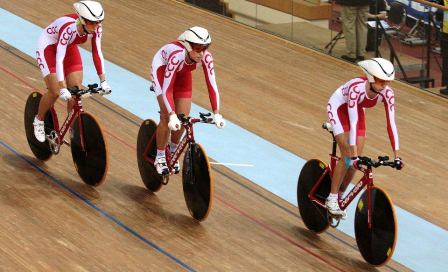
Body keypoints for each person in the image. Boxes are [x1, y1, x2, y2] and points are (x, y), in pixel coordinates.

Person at [325, 58, 404, 218]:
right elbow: (353, 123)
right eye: (382, 81)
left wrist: (397, 156)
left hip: (357, 108)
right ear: (371, 78)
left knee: (356, 162)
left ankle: (340, 194)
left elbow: (391, 124)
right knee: (348, 156)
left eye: (388, 82)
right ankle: (331, 198)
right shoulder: (356, 89)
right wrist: (352, 155)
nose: (385, 86)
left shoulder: (387, 93)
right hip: (339, 107)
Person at [150, 26, 226, 175]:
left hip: (183, 74)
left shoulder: (206, 57)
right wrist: (171, 114)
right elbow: (167, 89)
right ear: (187, 45)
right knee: (167, 117)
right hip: (162, 70)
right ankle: (159, 157)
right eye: (198, 49)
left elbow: (212, 85)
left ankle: (172, 151)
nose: (201, 53)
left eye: (205, 48)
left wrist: (217, 113)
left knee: (183, 119)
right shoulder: (176, 56)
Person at [33, 0, 111, 142]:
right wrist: (62, 87)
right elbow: (59, 59)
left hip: (69, 46)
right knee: (55, 91)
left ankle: (72, 127)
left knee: (75, 90)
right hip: (49, 46)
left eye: (99, 21)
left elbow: (97, 52)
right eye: (93, 22)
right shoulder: (69, 29)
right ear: (82, 20)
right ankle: (39, 119)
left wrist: (103, 80)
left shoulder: (97, 28)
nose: (97, 26)